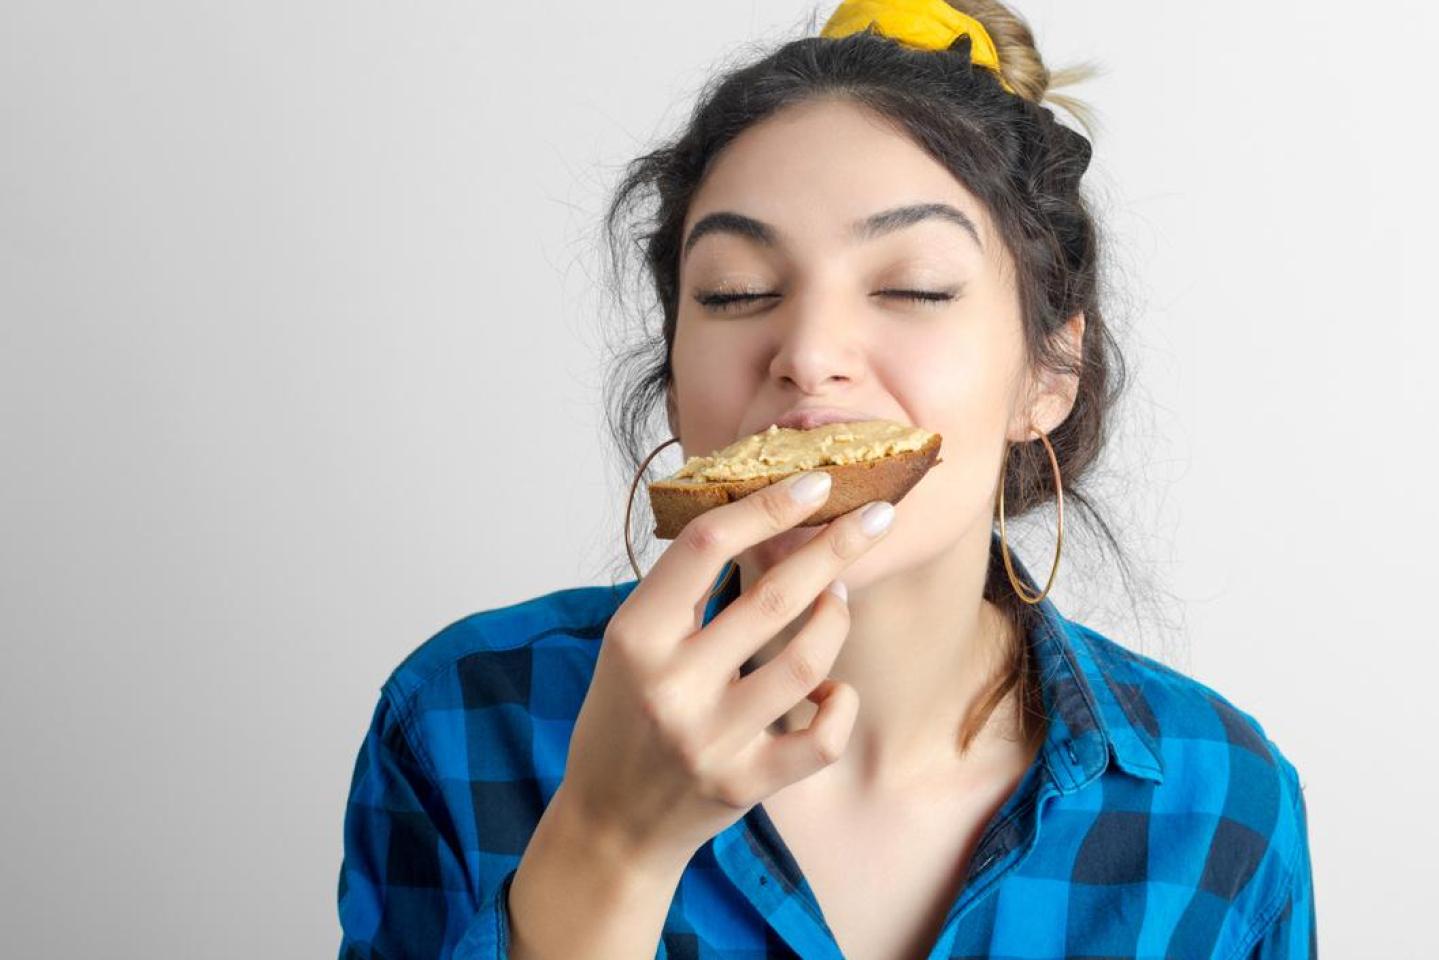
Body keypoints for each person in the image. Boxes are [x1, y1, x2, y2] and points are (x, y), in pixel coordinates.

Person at [335, 1, 1315, 957]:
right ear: (674, 379)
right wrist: (609, 847)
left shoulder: (1220, 804)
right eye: (736, 294)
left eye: (912, 288)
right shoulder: (463, 721)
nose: (806, 354)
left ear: (1046, 375)